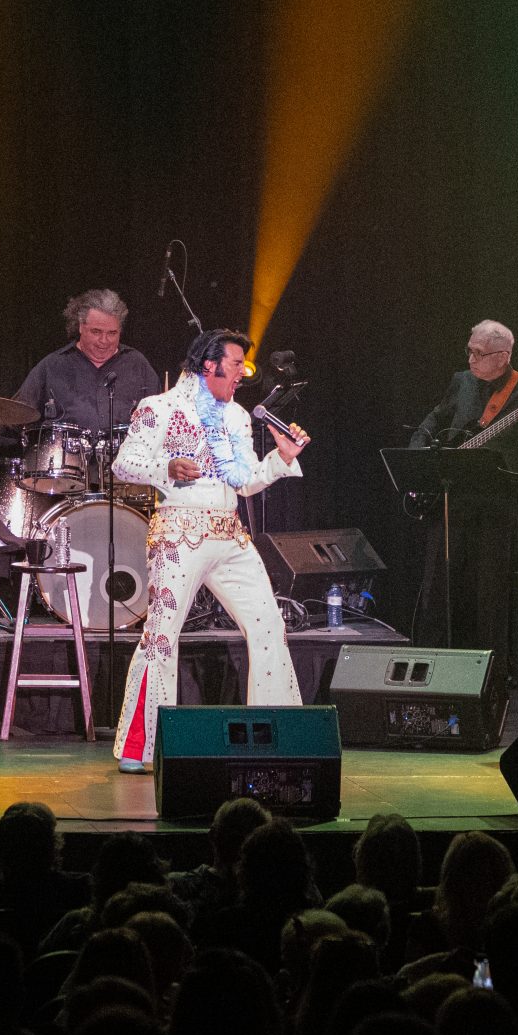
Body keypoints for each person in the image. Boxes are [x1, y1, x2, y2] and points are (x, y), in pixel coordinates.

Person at [107, 329, 310, 773]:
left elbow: (246, 481)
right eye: (235, 365)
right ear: (208, 365)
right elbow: (123, 463)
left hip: (229, 535)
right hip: (179, 533)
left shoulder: (236, 416)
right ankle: (139, 748)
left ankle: (274, 737)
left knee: (269, 626)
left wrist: (281, 458)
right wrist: (166, 466)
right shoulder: (159, 408)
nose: (241, 374)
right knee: (161, 636)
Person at [407, 321, 518, 648]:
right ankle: (432, 659)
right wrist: (418, 454)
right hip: (452, 500)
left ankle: (492, 668)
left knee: (492, 596)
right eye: (469, 350)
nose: (471, 359)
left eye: (479, 353)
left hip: (497, 505)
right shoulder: (461, 381)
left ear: (503, 356)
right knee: (437, 589)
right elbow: (435, 417)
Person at [9, 288, 162, 433]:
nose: (104, 341)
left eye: (112, 333)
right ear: (81, 327)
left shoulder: (137, 364)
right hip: (64, 452)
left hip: (127, 452)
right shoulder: (52, 366)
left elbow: (161, 419)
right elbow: (16, 413)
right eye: (96, 332)